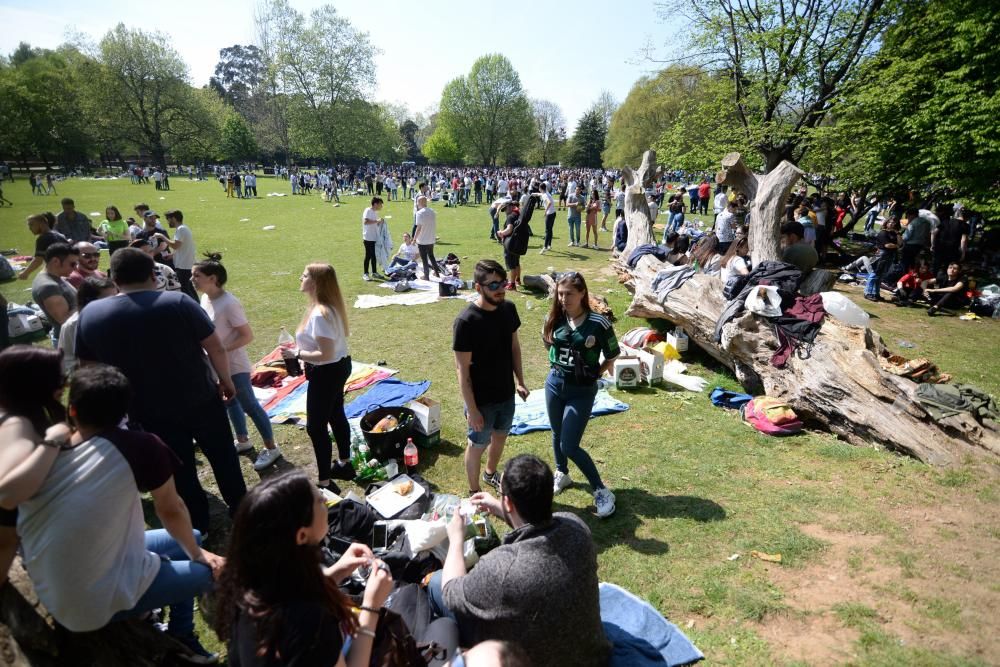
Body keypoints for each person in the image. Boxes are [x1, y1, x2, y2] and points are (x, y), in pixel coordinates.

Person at [0, 360, 223, 662]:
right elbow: (171, 509)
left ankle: (154, 611)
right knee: (207, 573)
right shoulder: (140, 446)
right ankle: (182, 632)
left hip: (51, 585)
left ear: (73, 409)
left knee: (191, 536)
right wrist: (199, 556)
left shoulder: (44, 453)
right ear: (125, 410)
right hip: (87, 606)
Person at [76, 248, 247, 534]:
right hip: (200, 399)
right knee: (223, 457)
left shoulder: (92, 313)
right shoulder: (178, 302)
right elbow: (214, 346)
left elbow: (89, 367)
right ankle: (242, 511)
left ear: (114, 277)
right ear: (152, 274)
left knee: (179, 469)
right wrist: (226, 380)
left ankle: (199, 525)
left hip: (145, 409)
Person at [427, 455, 611, 666]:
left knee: (435, 583)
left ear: (509, 502)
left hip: (529, 659)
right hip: (593, 656)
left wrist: (456, 538)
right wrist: (499, 507)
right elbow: (536, 523)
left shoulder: (503, 568)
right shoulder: (576, 527)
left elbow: (450, 591)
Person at [214, 470, 394, 667]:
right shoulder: (309, 623)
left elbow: (294, 591)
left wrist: (339, 571)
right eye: (318, 500)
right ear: (301, 535)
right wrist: (371, 607)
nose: (326, 499)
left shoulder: (249, 584)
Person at [192, 254, 282, 472]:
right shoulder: (206, 298)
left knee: (249, 404)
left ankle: (271, 447)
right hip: (217, 363)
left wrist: (221, 351)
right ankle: (243, 440)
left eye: (197, 275)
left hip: (234, 364)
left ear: (212, 278)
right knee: (230, 401)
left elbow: (247, 336)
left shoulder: (229, 303)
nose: (191, 279)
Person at [542, 273, 619, 518]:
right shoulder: (553, 317)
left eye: (569, 294)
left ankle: (601, 490)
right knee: (556, 432)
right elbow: (548, 342)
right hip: (554, 384)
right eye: (560, 293)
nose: (564, 299)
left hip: (582, 391)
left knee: (569, 444)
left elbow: (613, 353)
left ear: (582, 293)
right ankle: (562, 473)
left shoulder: (599, 323)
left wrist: (596, 372)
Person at [453, 260, 529, 494]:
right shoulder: (466, 321)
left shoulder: (508, 309)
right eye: (493, 285)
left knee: (500, 437)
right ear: (478, 287)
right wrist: (472, 409)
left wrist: (520, 381)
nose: (500, 289)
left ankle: (490, 474)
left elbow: (514, 347)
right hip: (481, 401)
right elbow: (462, 371)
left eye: (503, 282)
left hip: (506, 393)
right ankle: (475, 492)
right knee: (477, 445)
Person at [284, 264, 355, 491]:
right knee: (335, 414)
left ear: (315, 283)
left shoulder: (320, 314)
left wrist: (296, 353)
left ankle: (325, 482)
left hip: (327, 372)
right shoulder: (326, 308)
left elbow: (325, 354)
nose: (300, 277)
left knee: (316, 427)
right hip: (338, 368)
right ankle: (344, 463)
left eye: (304, 275)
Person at [58, 275, 117, 373]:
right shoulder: (72, 325)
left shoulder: (119, 317)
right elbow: (66, 363)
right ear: (88, 301)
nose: (115, 304)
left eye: (116, 297)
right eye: (108, 300)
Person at [32, 243, 79, 344]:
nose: (75, 268)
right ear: (55, 261)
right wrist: (87, 303)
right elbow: (65, 321)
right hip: (70, 341)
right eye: (72, 264)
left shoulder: (56, 277)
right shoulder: (49, 287)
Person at [157, 209, 197, 300]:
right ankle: (197, 307)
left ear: (174, 219)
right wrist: (172, 255)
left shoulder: (181, 229)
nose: (168, 222)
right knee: (189, 288)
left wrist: (162, 237)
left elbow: (175, 245)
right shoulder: (182, 228)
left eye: (168, 219)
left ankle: (193, 309)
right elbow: (180, 247)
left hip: (184, 266)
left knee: (185, 289)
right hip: (185, 264)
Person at [18, 213, 67, 280]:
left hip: (58, 272)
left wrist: (25, 273)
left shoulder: (43, 238)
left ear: (41, 224)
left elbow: (38, 260)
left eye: (31, 225)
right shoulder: (60, 235)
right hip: (68, 269)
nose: (29, 228)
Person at [414, 195, 440, 281]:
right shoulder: (432, 211)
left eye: (417, 202)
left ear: (420, 202)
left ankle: (426, 276)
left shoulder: (419, 213)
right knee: (431, 256)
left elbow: (418, 228)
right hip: (431, 238)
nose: (417, 204)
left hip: (422, 240)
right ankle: (437, 273)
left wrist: (414, 239)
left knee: (424, 259)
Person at [362, 197, 386, 281]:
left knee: (373, 256)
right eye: (380, 204)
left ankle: (374, 272)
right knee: (368, 255)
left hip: (374, 237)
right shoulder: (368, 210)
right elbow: (365, 222)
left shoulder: (375, 212)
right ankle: (365, 273)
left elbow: (374, 224)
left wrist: (380, 222)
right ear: (375, 204)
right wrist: (377, 221)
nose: (381, 206)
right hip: (368, 237)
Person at [537, 183, 557, 254]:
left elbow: (549, 203)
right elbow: (541, 194)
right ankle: (549, 245)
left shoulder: (545, 195)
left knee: (547, 231)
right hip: (553, 213)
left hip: (549, 214)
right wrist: (535, 194)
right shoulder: (546, 193)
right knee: (550, 230)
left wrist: (545, 211)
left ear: (540, 188)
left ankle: (545, 247)